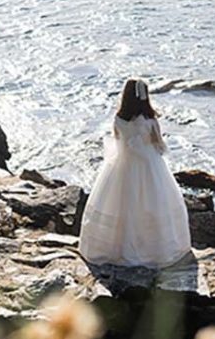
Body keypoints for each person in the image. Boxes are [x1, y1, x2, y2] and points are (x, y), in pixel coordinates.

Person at [78, 79, 193, 267]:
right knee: (152, 204)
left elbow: (117, 139)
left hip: (122, 166)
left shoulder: (118, 119)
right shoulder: (150, 121)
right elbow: (159, 145)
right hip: (149, 167)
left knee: (120, 205)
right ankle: (152, 249)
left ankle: (116, 248)